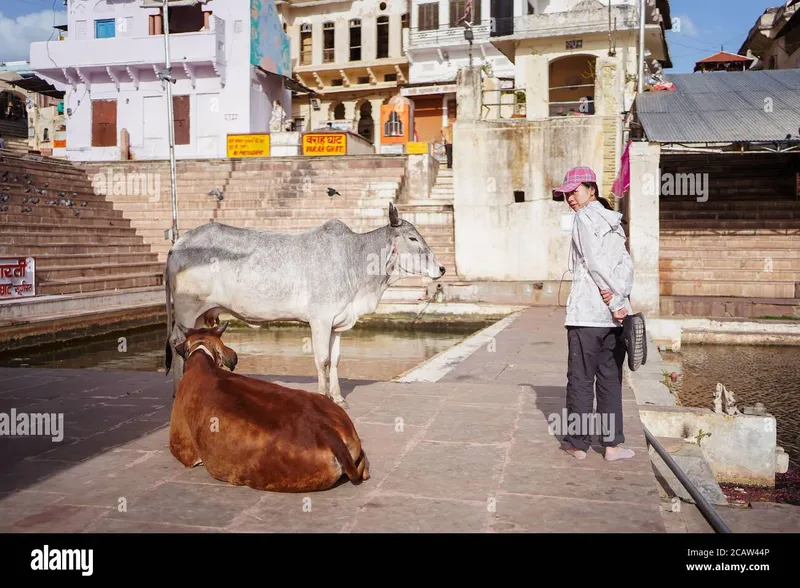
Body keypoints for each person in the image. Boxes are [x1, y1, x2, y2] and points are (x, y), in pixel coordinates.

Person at [553, 166, 636, 462]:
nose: (571, 199)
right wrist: (621, 297)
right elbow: (626, 265)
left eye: (575, 191)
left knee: (580, 379)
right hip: (613, 320)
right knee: (610, 380)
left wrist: (612, 298)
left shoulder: (584, 217)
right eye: (567, 194)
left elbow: (593, 262)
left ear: (592, 190)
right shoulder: (615, 221)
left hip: (587, 316)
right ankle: (612, 445)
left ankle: (577, 444)